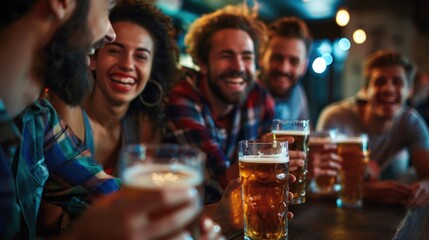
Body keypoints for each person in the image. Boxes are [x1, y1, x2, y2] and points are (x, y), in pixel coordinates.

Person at [0, 0, 209, 239]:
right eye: (107, 8)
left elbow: (104, 187)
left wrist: (182, 219)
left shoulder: (40, 117)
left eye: (141, 56)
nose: (109, 33)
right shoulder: (60, 110)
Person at [161, 4, 276, 203]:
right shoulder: (182, 98)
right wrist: (261, 156)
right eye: (226, 56)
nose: (239, 66)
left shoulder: (258, 96)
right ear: (203, 64)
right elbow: (213, 189)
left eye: (247, 57)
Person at [317, 50, 429, 207]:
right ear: (365, 90)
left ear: (410, 91)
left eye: (397, 82)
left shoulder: (411, 121)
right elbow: (316, 186)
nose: (388, 89)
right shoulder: (335, 117)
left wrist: (425, 188)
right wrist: (366, 191)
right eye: (379, 82)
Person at [258, 16, 311, 120]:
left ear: (304, 67)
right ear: (261, 57)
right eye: (277, 58)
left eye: (294, 61)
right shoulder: (244, 95)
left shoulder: (298, 95)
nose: (283, 69)